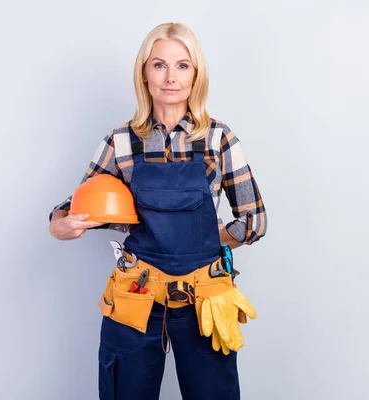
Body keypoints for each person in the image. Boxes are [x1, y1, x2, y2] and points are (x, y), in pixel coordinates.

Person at [49, 22, 266, 400]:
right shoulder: (120, 141)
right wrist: (59, 226)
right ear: (144, 73)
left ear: (196, 75)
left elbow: (254, 222)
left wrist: (202, 236)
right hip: (136, 296)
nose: (171, 77)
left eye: (182, 66)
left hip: (204, 300)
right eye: (159, 65)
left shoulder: (219, 138)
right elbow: (72, 209)